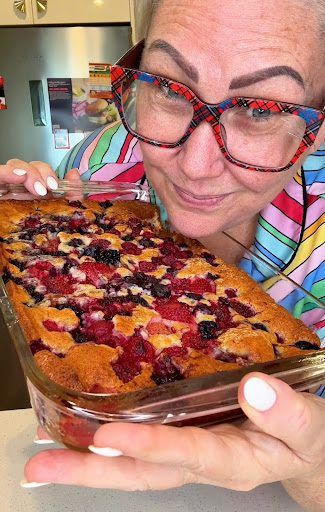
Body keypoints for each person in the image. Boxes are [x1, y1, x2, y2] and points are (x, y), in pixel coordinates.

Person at [1, 0, 325, 508]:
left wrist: (317, 478)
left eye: (262, 110)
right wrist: (28, 231)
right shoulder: (97, 165)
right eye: (169, 88)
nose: (196, 165)